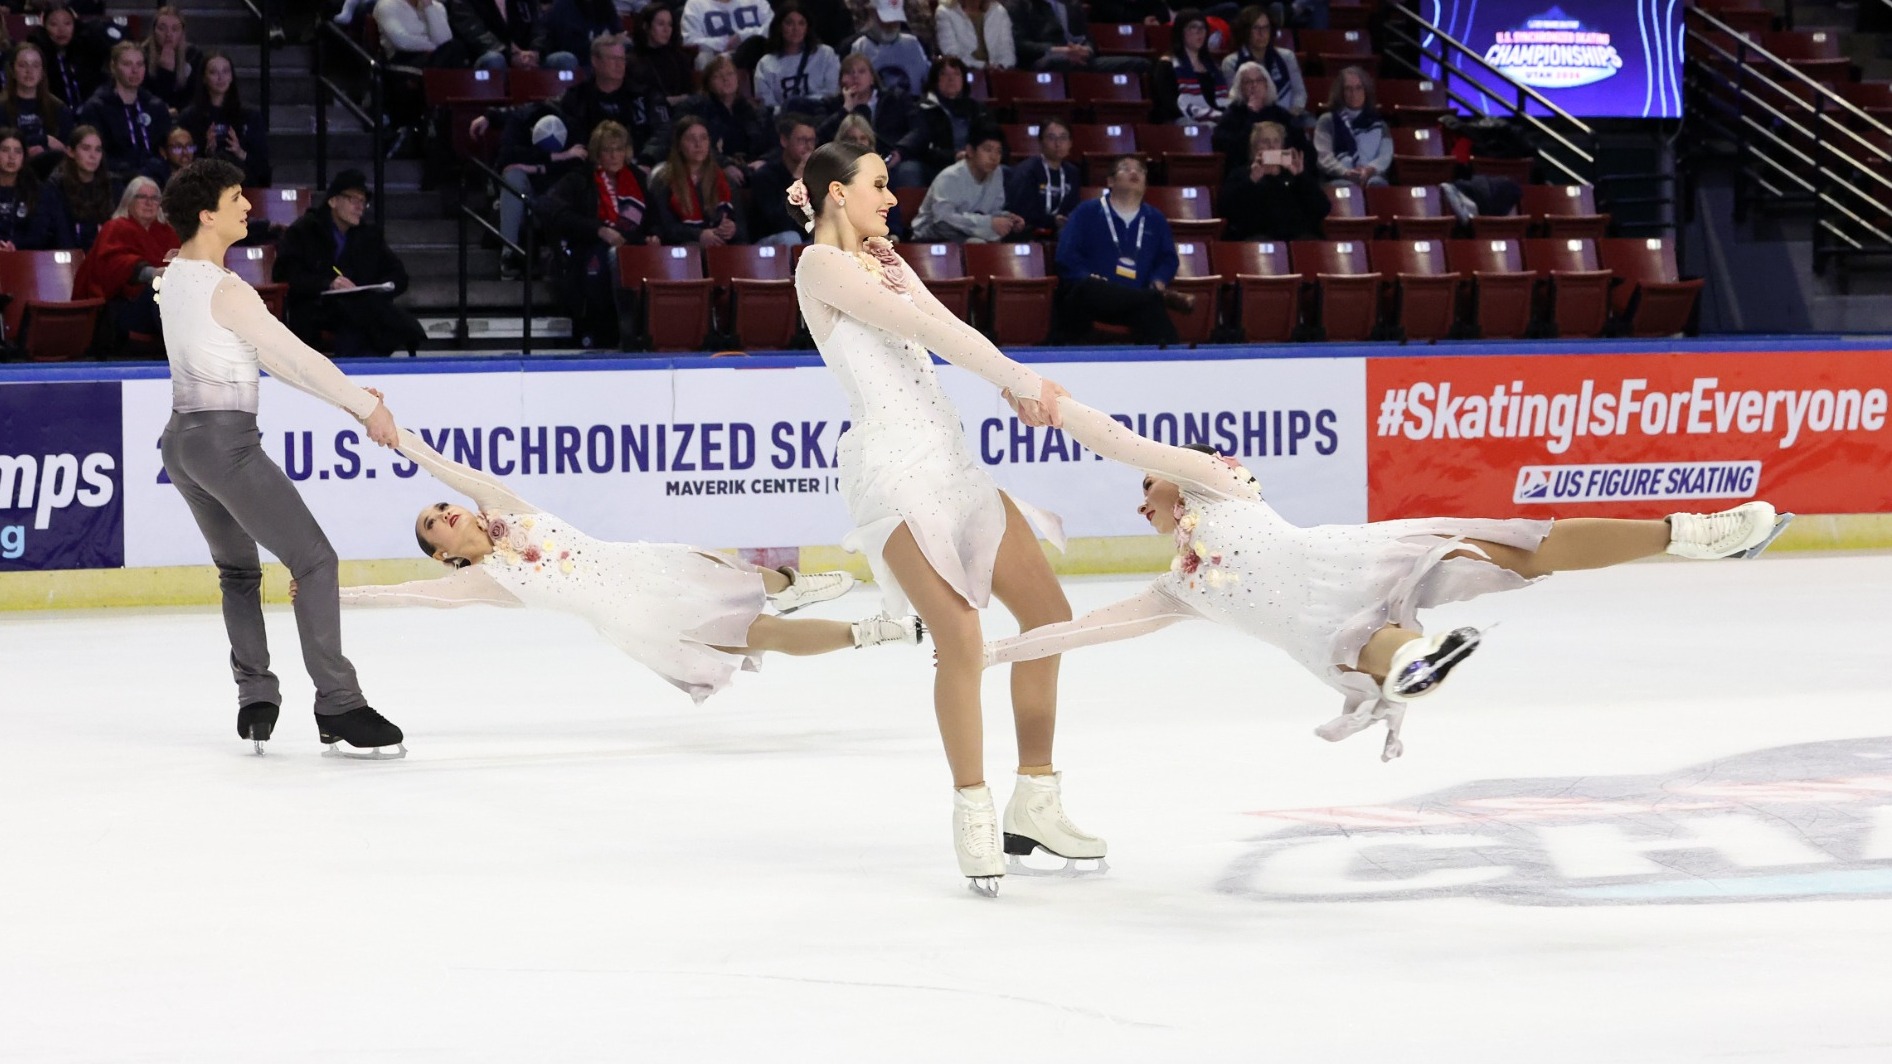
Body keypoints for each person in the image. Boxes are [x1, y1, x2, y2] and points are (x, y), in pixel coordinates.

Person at [981, 402, 1794, 762]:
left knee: (1521, 548)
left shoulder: (1218, 484)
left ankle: (1691, 534)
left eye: (1148, 489)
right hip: (1320, 631)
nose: (1139, 500)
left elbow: (1125, 445)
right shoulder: (1179, 590)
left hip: (1349, 559)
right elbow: (1091, 629)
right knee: (1376, 649)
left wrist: (1053, 405)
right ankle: (1418, 665)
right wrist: (986, 653)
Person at [790, 141, 1102, 895]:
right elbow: (937, 337)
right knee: (960, 634)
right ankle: (972, 805)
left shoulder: (885, 263)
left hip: (953, 463)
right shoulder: (820, 268)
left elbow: (949, 325)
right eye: (879, 185)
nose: (891, 197)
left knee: (1049, 616)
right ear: (837, 193)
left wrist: (1012, 386)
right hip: (891, 473)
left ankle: (1036, 797)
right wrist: (1021, 378)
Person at [338, 428, 923, 701]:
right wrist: (326, 592)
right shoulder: (486, 582)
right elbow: (408, 593)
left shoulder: (506, 508)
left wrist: (398, 441)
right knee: (759, 634)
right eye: (432, 523)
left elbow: (445, 466)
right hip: (642, 619)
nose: (446, 512)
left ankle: (789, 585)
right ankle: (875, 632)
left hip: (643, 566)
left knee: (730, 572)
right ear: (442, 552)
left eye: (442, 507)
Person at [153, 159, 408, 758]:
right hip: (225, 445)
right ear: (206, 214)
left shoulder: (172, 277)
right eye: (236, 197)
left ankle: (256, 698)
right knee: (315, 560)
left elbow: (265, 359)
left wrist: (350, 398)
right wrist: (364, 409)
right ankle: (339, 704)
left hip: (181, 443)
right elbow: (293, 357)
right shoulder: (227, 289)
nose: (248, 206)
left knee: (238, 571)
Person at [273, 169, 428, 358]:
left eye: (363, 202)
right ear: (333, 201)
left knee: (367, 317)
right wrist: (329, 283)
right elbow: (287, 274)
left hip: (360, 307)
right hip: (315, 306)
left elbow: (398, 275)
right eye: (353, 200)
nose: (360, 207)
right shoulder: (304, 231)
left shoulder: (369, 235)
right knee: (363, 321)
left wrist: (382, 288)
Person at [534, 118, 659, 346]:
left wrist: (653, 235)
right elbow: (550, 209)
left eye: (618, 149)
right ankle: (606, 335)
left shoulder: (639, 180)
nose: (613, 156)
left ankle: (639, 334)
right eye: (607, 150)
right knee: (604, 259)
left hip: (634, 247)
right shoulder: (580, 179)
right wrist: (599, 230)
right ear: (596, 153)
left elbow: (654, 219)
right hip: (589, 247)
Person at [1052, 155, 1186, 345]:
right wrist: (1085, 276)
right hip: (1093, 298)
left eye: (1140, 170)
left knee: (1150, 307)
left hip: (1135, 303)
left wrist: (1159, 279)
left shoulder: (1156, 218)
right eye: (1126, 168)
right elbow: (1065, 256)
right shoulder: (1087, 211)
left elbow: (1168, 259)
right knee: (1093, 289)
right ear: (1111, 181)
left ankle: (1173, 359)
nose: (1134, 172)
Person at [72, 175, 176, 350]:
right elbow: (113, 265)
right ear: (129, 201)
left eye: (154, 198)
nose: (149, 203)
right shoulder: (115, 227)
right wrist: (152, 273)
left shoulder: (168, 232)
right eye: (142, 197)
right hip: (121, 306)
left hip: (161, 304)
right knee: (160, 288)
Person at [555, 32, 672, 167]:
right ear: (595, 61)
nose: (619, 65)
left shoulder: (644, 94)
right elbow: (574, 139)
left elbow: (663, 130)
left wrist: (647, 159)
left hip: (639, 163)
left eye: (622, 59)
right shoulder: (577, 97)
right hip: (592, 167)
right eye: (612, 59)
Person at [815, 53, 925, 188]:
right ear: (841, 80)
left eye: (861, 71)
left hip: (891, 157)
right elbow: (819, 138)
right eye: (849, 72)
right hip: (848, 161)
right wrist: (846, 109)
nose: (855, 76)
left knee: (909, 171)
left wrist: (900, 151)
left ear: (872, 78)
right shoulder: (830, 104)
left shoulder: (895, 98)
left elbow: (919, 129)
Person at [77, 41, 172, 187]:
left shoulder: (156, 106)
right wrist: (133, 174)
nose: (135, 70)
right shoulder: (96, 108)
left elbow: (166, 148)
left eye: (140, 64)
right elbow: (98, 156)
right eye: (127, 64)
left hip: (155, 180)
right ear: (113, 67)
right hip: (114, 182)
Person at [176, 52, 271, 188]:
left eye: (225, 71)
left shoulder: (250, 115)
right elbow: (181, 159)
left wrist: (240, 152)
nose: (220, 78)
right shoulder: (189, 116)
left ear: (232, 76)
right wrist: (206, 150)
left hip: (242, 184)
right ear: (204, 78)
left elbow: (262, 165)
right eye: (213, 72)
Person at [648, 113, 746, 246]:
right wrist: (699, 235)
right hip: (683, 248)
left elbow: (742, 228)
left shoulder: (725, 180)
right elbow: (664, 228)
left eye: (703, 138)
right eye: (690, 139)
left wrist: (732, 229)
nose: (698, 144)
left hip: (721, 245)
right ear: (678, 145)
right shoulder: (663, 180)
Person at [1219, 120, 1325, 240]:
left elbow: (1322, 208)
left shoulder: (1292, 174)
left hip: (1296, 237)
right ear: (1254, 148)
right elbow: (1227, 209)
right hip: (1257, 237)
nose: (1272, 146)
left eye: (1276, 141)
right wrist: (1251, 181)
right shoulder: (1241, 174)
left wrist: (1301, 176)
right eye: (1265, 141)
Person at [911, 125, 1020, 242]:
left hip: (972, 232)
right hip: (932, 235)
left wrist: (1007, 218)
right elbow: (943, 219)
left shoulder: (997, 172)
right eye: (987, 150)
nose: (994, 157)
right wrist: (988, 223)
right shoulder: (949, 177)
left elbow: (991, 211)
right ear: (970, 151)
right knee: (977, 244)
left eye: (999, 151)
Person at [679, 54, 771, 178]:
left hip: (753, 167)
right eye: (718, 76)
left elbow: (775, 144)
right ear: (708, 83)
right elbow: (696, 146)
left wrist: (764, 160)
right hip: (716, 169)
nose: (725, 79)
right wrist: (724, 165)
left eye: (730, 74)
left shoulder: (753, 110)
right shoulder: (696, 109)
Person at [1213, 59, 1305, 173]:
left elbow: (1299, 145)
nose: (1254, 85)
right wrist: (1251, 115)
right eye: (1248, 82)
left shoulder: (1281, 114)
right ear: (1240, 88)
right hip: (1245, 174)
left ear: (1267, 84)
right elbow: (1228, 149)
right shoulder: (1231, 116)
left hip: (1282, 172)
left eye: (1259, 80)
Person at [1011, 0, 1148, 74]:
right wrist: (1060, 51)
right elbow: (1021, 45)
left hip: (1081, 59)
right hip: (1045, 61)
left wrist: (1086, 50)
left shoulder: (1072, 5)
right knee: (1058, 62)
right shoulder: (1020, 5)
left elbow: (1088, 39)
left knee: (1140, 64)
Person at [914, 55, 993, 180]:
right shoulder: (924, 109)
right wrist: (955, 156)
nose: (951, 79)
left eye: (956, 74)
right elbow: (922, 148)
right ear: (935, 80)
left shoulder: (978, 110)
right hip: (939, 167)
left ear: (963, 80)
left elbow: (995, 141)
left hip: (975, 164)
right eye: (944, 74)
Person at [753, 0, 840, 113]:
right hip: (785, 123)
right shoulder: (765, 65)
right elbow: (769, 107)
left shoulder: (825, 54)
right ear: (779, 26)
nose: (796, 29)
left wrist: (803, 105)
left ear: (807, 27)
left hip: (820, 117)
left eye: (801, 23)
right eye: (789, 23)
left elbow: (832, 93)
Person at [2, 45, 75, 178]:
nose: (29, 71)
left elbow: (68, 148)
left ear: (42, 72)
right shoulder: (2, 107)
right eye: (23, 65)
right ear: (12, 71)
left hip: (52, 175)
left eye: (35, 65)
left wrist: (45, 152)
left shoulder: (59, 108)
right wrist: (43, 140)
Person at [445, 0, 579, 72]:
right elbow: (474, 32)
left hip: (529, 58)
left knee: (566, 60)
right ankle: (492, 116)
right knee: (495, 61)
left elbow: (540, 26)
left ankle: (555, 114)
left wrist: (536, 52)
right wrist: (509, 54)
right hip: (486, 58)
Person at [829, 112, 905, 237]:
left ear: (870, 143)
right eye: (852, 139)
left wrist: (893, 234)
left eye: (863, 138)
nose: (858, 143)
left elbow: (892, 213)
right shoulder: (830, 172)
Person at [1314, 65, 1390, 188]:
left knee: (1377, 184)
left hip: (1371, 176)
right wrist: (1345, 172)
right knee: (1345, 186)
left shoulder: (1380, 124)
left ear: (1366, 91)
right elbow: (1324, 157)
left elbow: (1385, 156)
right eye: (1348, 89)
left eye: (1359, 88)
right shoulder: (1327, 120)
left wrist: (1369, 170)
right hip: (1339, 176)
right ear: (1340, 92)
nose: (1354, 93)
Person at [1003, 118, 1079, 239]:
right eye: (1051, 138)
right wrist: (1052, 220)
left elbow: (1073, 207)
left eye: (1063, 138)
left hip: (1061, 228)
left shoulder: (1072, 172)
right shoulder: (1028, 170)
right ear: (1040, 142)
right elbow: (1022, 211)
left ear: (1070, 143)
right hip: (1029, 230)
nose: (1058, 144)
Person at [748, 112, 817, 245]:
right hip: (769, 243)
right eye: (802, 140)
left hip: (805, 240)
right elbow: (779, 222)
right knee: (791, 237)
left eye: (812, 141)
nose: (808, 147)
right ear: (784, 141)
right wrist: (798, 181)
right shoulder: (765, 176)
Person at [1220, 5, 1304, 113]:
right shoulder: (1231, 62)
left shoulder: (1287, 56)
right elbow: (1235, 100)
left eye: (1266, 27)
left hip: (1288, 117)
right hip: (1250, 118)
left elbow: (1299, 94)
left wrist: (1289, 117)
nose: (1262, 33)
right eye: (1256, 28)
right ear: (1245, 31)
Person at [43, 124, 112, 249]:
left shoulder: (111, 184)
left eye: (98, 150)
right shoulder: (56, 187)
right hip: (69, 258)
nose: (93, 156)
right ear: (71, 152)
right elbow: (61, 235)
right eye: (86, 148)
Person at [1152, 9, 1228, 124]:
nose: (1200, 32)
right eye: (1193, 27)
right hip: (1179, 121)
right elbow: (1168, 104)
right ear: (1181, 31)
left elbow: (1219, 102)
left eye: (1203, 28)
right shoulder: (1167, 64)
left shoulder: (1212, 67)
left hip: (1212, 118)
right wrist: (1201, 115)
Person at [29, 5, 103, 118]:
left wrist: (80, 26)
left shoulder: (88, 50)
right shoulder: (39, 55)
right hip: (52, 117)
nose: (61, 30)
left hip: (88, 116)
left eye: (67, 23)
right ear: (44, 27)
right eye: (53, 24)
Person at [849, 0, 928, 97]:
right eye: (886, 20)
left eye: (895, 20)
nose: (891, 24)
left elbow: (929, 78)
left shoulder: (912, 44)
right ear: (872, 14)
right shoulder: (860, 47)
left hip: (913, 108)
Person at [0, 127, 58, 250]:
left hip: (25, 258)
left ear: (24, 157)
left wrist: (15, 245)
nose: (11, 157)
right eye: (5, 150)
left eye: (18, 151)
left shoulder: (38, 190)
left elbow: (39, 233)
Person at [141, 6, 203, 114]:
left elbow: (194, 96)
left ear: (182, 32)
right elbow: (144, 95)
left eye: (175, 29)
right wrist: (165, 72)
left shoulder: (193, 55)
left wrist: (178, 110)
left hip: (183, 115)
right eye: (162, 28)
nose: (169, 34)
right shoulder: (141, 54)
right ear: (154, 31)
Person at [680, 0, 772, 71]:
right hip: (717, 66)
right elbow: (690, 41)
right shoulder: (695, 5)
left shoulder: (758, 2)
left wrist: (742, 37)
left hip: (761, 62)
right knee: (703, 57)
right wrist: (726, 42)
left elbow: (776, 28)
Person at [632, 6, 693, 104]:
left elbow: (689, 93)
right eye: (660, 24)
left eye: (670, 24)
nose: (666, 29)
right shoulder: (633, 60)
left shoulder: (680, 58)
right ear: (646, 26)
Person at [934, 0, 1015, 72]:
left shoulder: (999, 11)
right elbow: (952, 54)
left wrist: (1001, 66)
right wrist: (984, 66)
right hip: (964, 73)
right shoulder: (945, 11)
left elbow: (1007, 52)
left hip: (997, 74)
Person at [540, 0, 622, 67]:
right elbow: (567, 45)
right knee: (566, 59)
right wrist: (599, 46)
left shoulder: (606, 4)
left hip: (599, 53)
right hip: (571, 55)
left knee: (622, 50)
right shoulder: (563, 6)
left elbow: (618, 32)